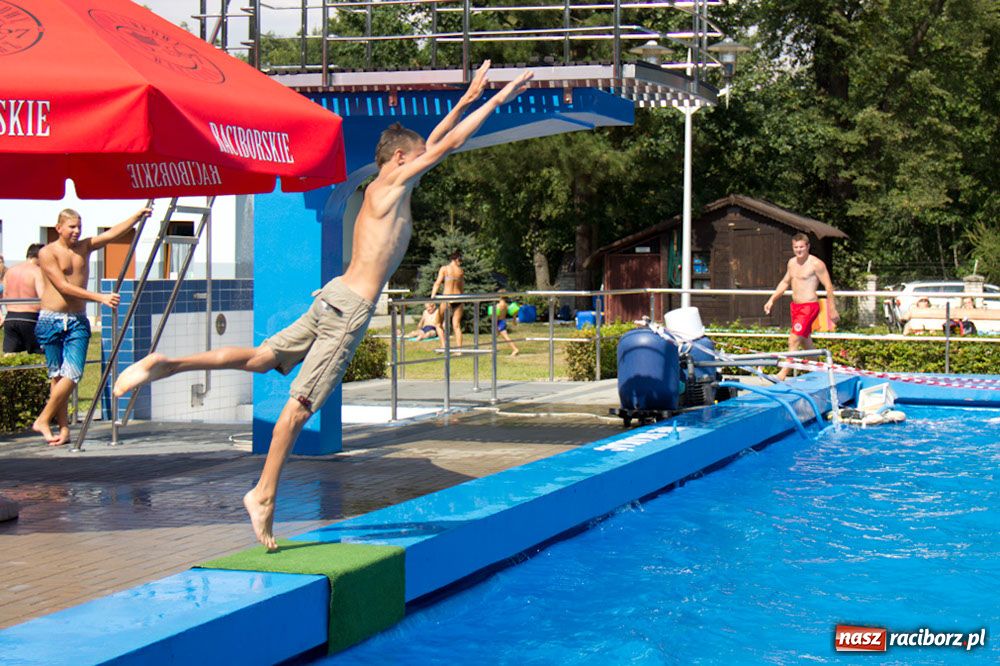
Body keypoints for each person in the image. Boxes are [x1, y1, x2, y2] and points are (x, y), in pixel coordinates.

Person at [113, 61, 533, 551]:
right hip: (349, 306)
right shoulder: (393, 185)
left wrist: (467, 96)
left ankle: (164, 362)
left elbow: (438, 139)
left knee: (262, 358)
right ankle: (264, 495)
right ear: (400, 158)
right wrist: (499, 100)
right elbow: (450, 144)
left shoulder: (384, 186)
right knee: (298, 407)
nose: (426, 163)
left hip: (335, 294)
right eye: (418, 159)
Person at [34, 207, 151, 446]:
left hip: (76, 319)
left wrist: (135, 217)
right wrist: (100, 298)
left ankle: (43, 419)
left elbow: (113, 235)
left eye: (79, 227)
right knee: (57, 377)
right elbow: (63, 287)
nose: (77, 231)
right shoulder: (48, 253)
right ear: (59, 228)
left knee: (73, 373)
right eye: (72, 227)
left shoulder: (84, 247)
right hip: (51, 319)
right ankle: (63, 430)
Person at [763, 233, 839, 381]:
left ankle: (782, 374)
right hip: (796, 307)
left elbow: (829, 286)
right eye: (796, 247)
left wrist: (832, 309)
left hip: (809, 306)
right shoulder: (792, 263)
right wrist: (772, 299)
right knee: (805, 341)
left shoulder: (816, 264)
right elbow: (785, 282)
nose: (799, 250)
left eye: (802, 247)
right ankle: (821, 371)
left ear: (808, 247)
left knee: (793, 340)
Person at [2, 244, 46, 354]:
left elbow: (5, 295)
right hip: (30, 316)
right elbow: (43, 296)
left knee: (10, 356)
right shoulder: (37, 272)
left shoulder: (10, 271)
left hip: (10, 317)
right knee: (39, 353)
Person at [431, 251, 465, 353]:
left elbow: (437, 283)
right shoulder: (460, 271)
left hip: (447, 298)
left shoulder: (445, 269)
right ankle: (459, 350)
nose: (461, 262)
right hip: (458, 299)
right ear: (455, 259)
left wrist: (433, 296)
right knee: (456, 325)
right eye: (460, 260)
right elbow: (462, 287)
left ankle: (443, 346)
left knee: (437, 323)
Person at [495, 292, 520, 356]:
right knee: (495, 335)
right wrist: (514, 320)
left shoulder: (498, 305)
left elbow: (497, 316)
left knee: (506, 337)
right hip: (503, 321)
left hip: (499, 322)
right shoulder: (506, 305)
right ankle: (493, 348)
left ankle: (515, 349)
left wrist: (495, 324)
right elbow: (514, 311)